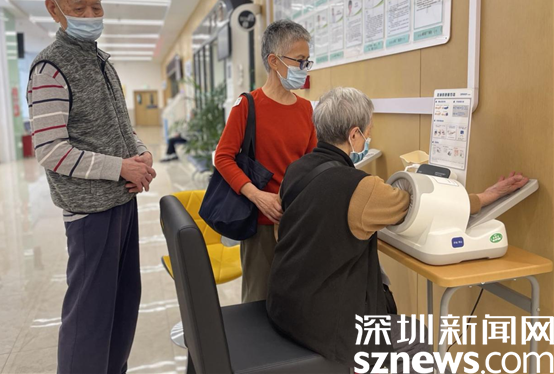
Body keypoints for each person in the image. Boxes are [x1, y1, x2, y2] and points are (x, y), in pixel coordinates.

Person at [267, 87, 529, 372]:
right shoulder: (361, 187)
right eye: (368, 130)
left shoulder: (296, 170)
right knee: (415, 336)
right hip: (322, 324)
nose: (369, 136)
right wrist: (488, 196)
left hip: (284, 305)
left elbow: (293, 226)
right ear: (354, 135)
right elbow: (423, 207)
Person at [26, 0, 157, 374]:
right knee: (90, 316)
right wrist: (120, 167)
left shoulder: (101, 61)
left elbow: (120, 126)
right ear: (54, 10)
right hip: (89, 213)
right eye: (79, 7)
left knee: (123, 304)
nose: (90, 14)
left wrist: (140, 153)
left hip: (122, 201)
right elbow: (50, 150)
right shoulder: (49, 68)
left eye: (96, 6)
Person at [215, 20, 317, 303]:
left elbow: (311, 163)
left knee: (295, 300)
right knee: (258, 301)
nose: (304, 69)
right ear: (274, 61)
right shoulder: (247, 105)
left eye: (307, 61)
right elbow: (223, 157)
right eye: (299, 61)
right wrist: (257, 196)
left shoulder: (306, 109)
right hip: (260, 223)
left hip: (296, 221)